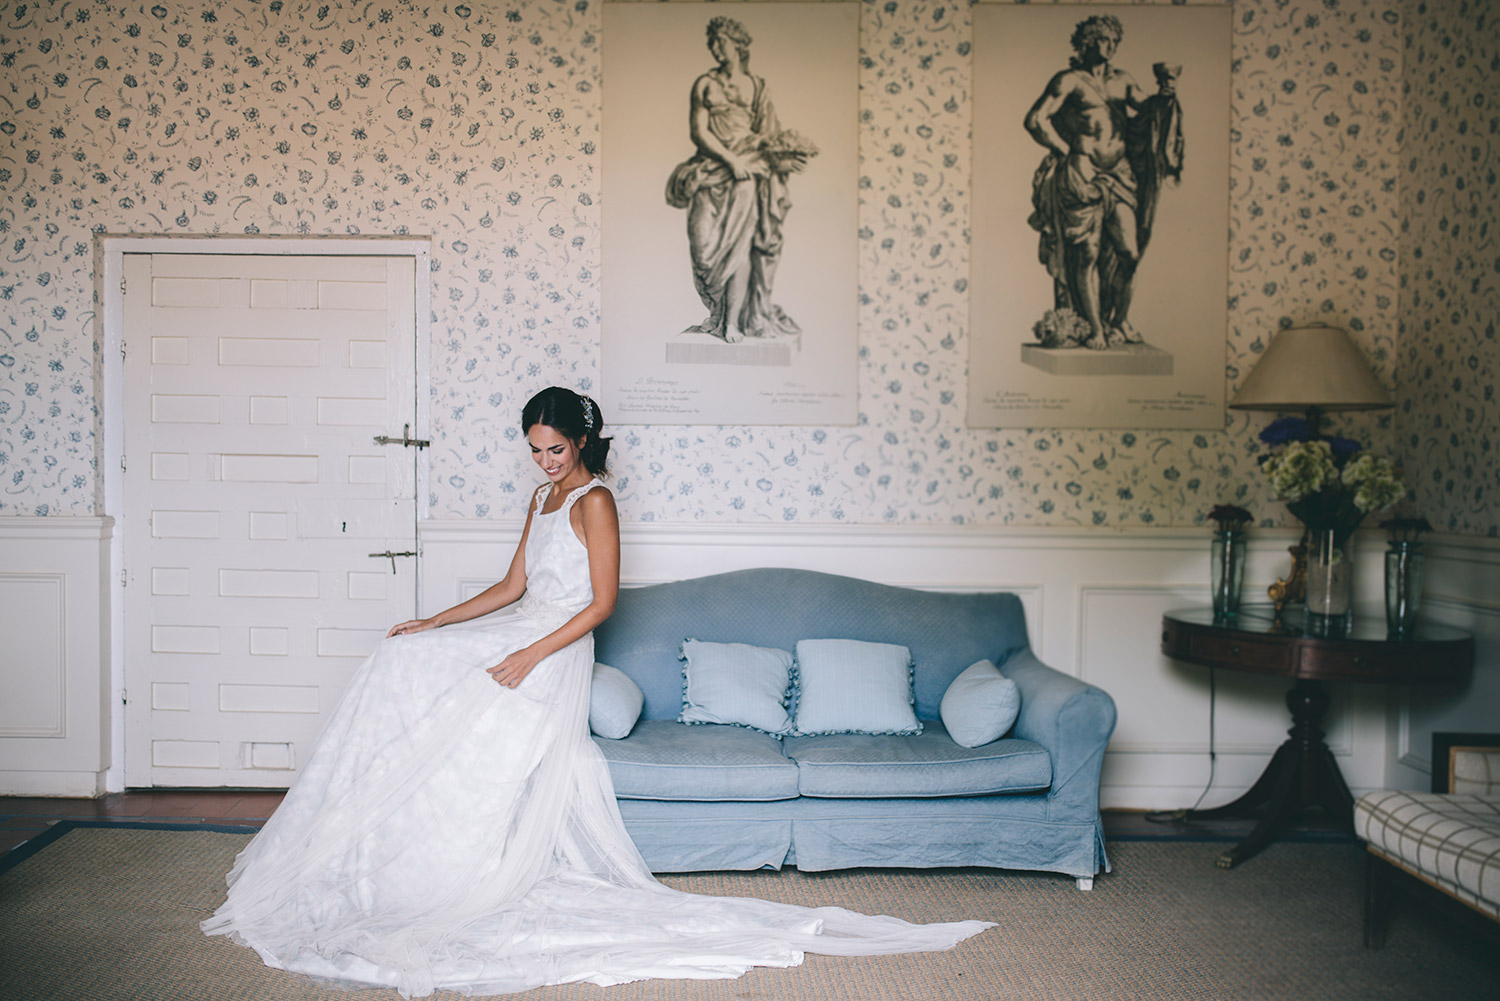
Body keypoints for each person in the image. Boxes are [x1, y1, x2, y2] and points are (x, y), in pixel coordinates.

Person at [202, 386, 990, 997]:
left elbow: (601, 604)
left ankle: (452, 859)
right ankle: (397, 845)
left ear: (580, 441)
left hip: (557, 647)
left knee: (448, 682)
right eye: (534, 450)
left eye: (554, 449)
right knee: (402, 657)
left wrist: (528, 654)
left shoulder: (596, 501)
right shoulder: (539, 499)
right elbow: (512, 585)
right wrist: (432, 621)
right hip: (524, 628)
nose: (544, 462)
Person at [1024, 14, 1182, 351]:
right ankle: (1095, 328)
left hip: (1120, 174)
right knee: (1087, 254)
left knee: (1129, 253)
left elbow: (1147, 109)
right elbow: (1036, 119)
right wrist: (1065, 150)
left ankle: (1119, 320)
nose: (1110, 46)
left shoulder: (1123, 80)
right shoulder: (1069, 80)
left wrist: (1166, 96)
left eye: (1114, 40)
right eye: (1103, 39)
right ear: (1087, 42)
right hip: (1083, 173)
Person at [665, 16, 815, 345]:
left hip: (747, 174)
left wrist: (784, 159)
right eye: (712, 42)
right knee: (703, 250)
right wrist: (730, 159)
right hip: (711, 170)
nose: (715, 48)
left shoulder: (757, 87)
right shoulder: (704, 84)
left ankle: (731, 322)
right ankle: (717, 312)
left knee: (739, 249)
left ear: (738, 44)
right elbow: (699, 131)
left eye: (721, 41)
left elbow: (769, 139)